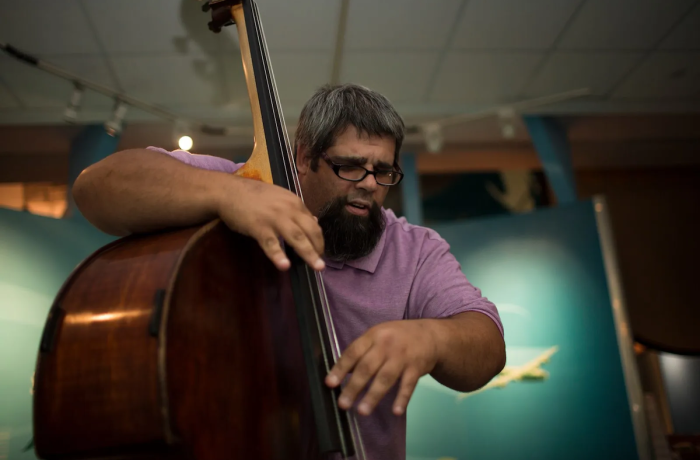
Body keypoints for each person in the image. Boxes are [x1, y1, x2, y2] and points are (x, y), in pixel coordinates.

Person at [73, 83, 506, 459]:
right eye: (350, 166)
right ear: (303, 157)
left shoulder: (414, 250)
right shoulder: (246, 185)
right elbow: (96, 186)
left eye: (383, 171)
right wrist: (226, 193)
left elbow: (486, 344)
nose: (370, 185)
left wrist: (433, 338)